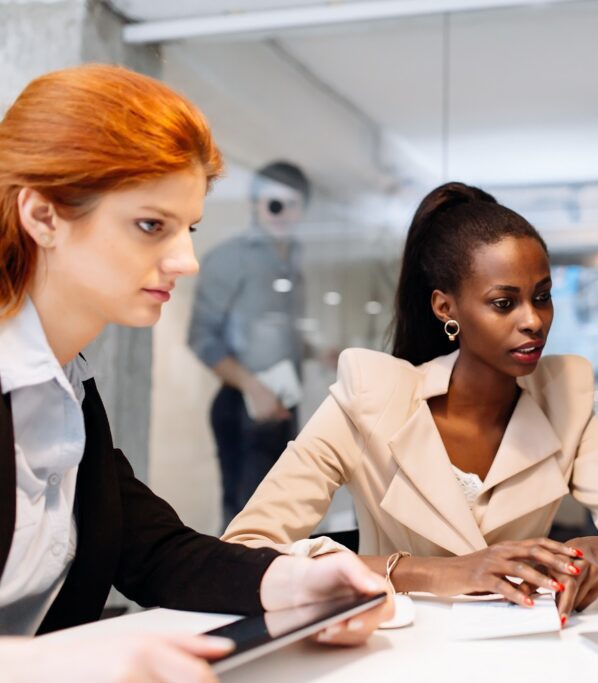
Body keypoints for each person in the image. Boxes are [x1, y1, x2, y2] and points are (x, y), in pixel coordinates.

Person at [0, 64, 391, 681]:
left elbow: (150, 550)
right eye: (151, 226)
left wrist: (294, 581)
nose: (185, 261)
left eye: (190, 229)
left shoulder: (68, 386)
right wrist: (56, 661)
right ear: (43, 216)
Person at [224, 182, 598, 626]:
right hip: (391, 651)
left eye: (542, 297)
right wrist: (431, 573)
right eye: (503, 303)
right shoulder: (371, 396)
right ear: (445, 308)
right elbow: (244, 550)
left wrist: (592, 553)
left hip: (523, 649)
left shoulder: (563, 396)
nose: (533, 321)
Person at [187, 160, 312, 527]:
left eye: (292, 204)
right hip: (241, 404)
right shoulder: (231, 258)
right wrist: (252, 388)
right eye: (273, 203)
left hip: (283, 404)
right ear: (256, 203)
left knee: (283, 515)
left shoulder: (296, 258)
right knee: (245, 516)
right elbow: (202, 336)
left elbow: (277, 332)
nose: (282, 212)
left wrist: (318, 351)